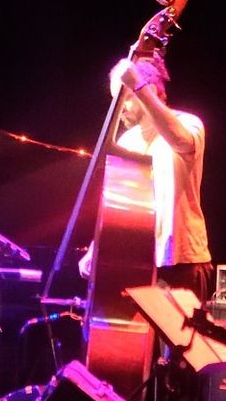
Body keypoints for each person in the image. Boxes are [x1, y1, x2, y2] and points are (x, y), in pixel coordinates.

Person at [81, 54, 213, 303]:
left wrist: (138, 86)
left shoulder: (189, 123)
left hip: (183, 262)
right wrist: (95, 247)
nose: (120, 109)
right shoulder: (126, 141)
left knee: (182, 331)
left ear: (149, 89)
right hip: (138, 262)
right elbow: (118, 207)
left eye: (125, 98)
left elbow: (180, 141)